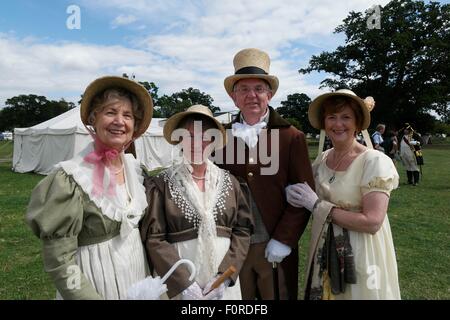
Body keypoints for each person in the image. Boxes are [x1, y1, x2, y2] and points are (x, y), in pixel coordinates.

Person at [26, 76, 154, 299]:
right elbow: (60, 260)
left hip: (137, 279)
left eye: (128, 115)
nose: (119, 121)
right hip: (95, 284)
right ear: (94, 119)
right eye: (110, 112)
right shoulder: (70, 179)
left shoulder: (136, 171)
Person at [215, 48, 314, 300]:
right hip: (231, 245)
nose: (252, 96)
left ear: (269, 95)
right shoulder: (218, 137)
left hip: (273, 244)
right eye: (244, 89)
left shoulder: (292, 137)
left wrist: (284, 239)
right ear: (233, 96)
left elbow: (304, 195)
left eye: (259, 89)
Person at [286, 89, 401, 300]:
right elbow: (302, 190)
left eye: (346, 117)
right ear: (324, 123)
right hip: (324, 248)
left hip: (360, 252)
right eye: (332, 117)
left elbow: (372, 222)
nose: (338, 124)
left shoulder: (374, 161)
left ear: (357, 123)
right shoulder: (322, 159)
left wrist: (316, 206)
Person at [140, 105, 254, 300]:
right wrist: (183, 283)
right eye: (189, 135)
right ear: (180, 139)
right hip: (179, 284)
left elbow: (242, 232)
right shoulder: (161, 184)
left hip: (223, 285)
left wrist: (225, 276)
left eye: (204, 136)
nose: (197, 143)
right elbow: (154, 238)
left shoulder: (231, 182)